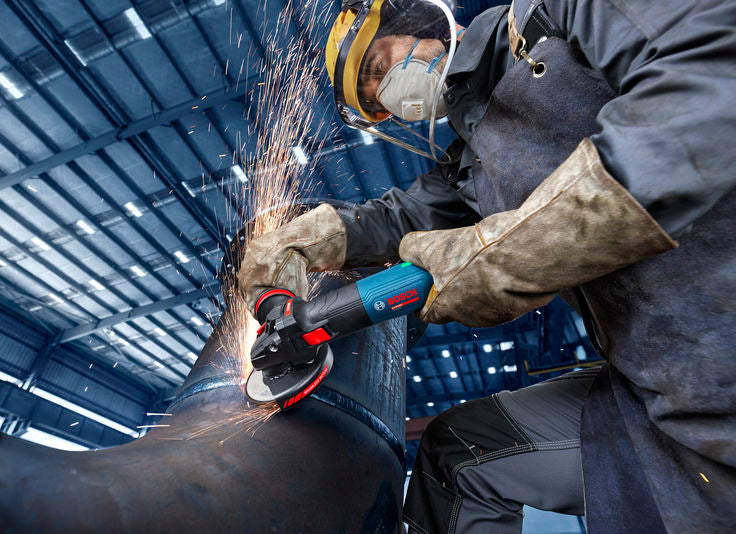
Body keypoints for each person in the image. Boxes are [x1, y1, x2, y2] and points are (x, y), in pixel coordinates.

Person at [237, 0, 736, 532]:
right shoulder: (478, 161)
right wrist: (307, 238)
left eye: (379, 67)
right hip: (656, 394)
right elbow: (397, 219)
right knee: (460, 456)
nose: (387, 91)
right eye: (375, 98)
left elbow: (708, 87)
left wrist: (506, 257)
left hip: (717, 371)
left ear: (419, 24)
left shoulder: (557, 13)